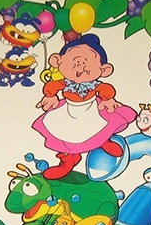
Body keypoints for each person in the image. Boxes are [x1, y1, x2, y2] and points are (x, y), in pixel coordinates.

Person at [32, 34, 136, 179]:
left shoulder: (94, 84)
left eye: (88, 62)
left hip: (91, 109)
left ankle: (103, 141)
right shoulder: (65, 83)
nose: (80, 65)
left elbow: (105, 89)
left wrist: (107, 99)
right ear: (57, 61)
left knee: (99, 126)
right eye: (74, 61)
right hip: (69, 110)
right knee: (66, 132)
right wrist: (50, 96)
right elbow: (52, 86)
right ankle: (69, 159)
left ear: (104, 70)